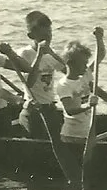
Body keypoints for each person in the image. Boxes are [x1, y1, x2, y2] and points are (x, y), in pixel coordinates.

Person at [55, 42, 107, 151]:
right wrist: (89, 105)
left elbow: (100, 54)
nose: (86, 66)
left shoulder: (84, 76)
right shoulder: (64, 85)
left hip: (87, 133)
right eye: (83, 63)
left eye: (86, 63)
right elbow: (70, 110)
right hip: (72, 136)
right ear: (70, 64)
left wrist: (99, 38)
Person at [4, 10, 65, 141]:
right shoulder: (25, 54)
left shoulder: (51, 53)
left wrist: (53, 54)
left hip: (50, 109)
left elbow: (70, 71)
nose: (48, 37)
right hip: (33, 111)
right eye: (43, 35)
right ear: (31, 35)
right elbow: (29, 83)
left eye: (50, 34)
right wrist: (39, 56)